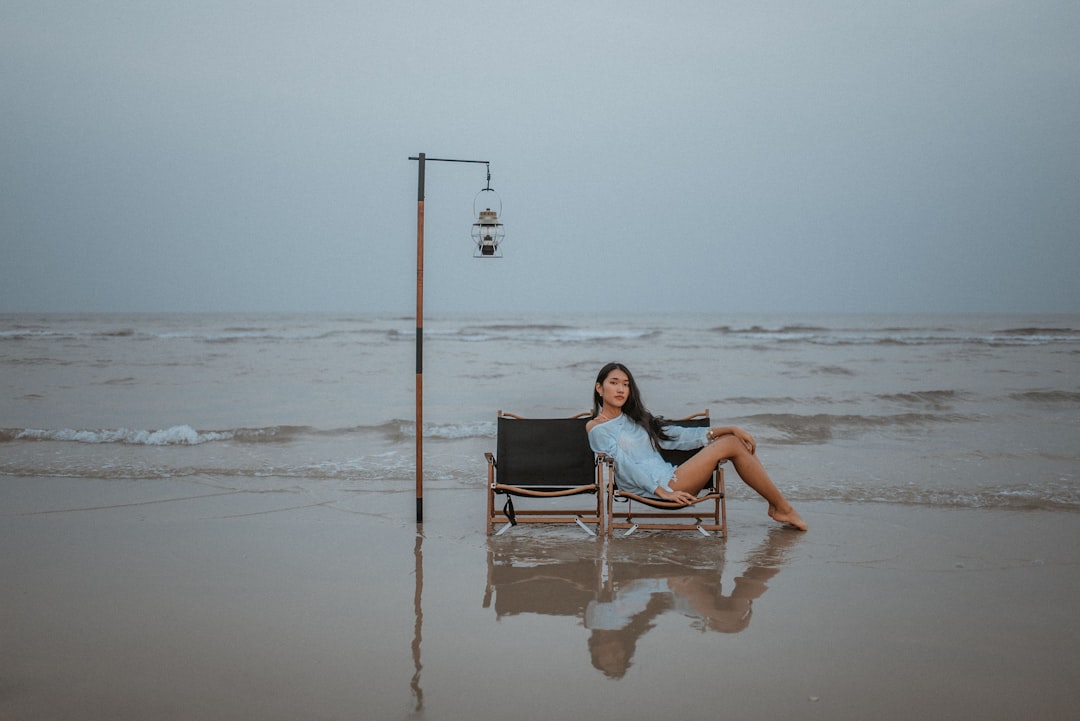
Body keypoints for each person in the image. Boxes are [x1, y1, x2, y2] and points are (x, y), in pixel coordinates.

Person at [586, 362, 807, 531]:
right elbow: (622, 465)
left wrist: (727, 428)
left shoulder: (636, 419)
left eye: (626, 384)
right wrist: (661, 491)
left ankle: (778, 507)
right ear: (599, 387)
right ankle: (782, 508)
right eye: (614, 382)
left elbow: (676, 435)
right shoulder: (597, 428)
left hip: (670, 478)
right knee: (730, 443)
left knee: (733, 440)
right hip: (659, 488)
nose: (621, 389)